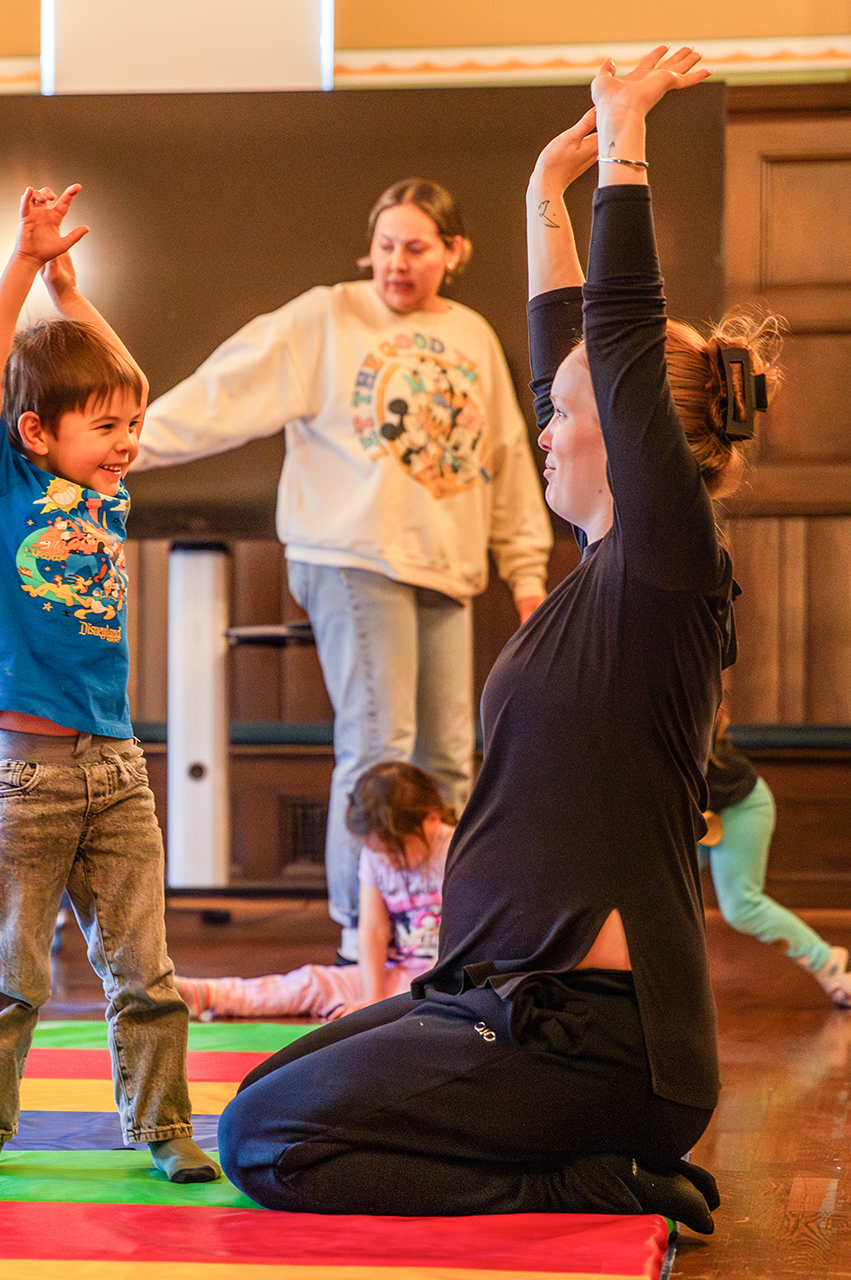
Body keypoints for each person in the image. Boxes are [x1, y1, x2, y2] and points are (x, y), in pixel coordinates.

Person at [216, 49, 775, 1231]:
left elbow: (614, 348)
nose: (544, 424)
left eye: (564, 414)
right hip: (495, 994)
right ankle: (572, 1162)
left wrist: (625, 139)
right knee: (269, 1090)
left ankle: (588, 1183)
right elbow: (572, 350)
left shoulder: (669, 573)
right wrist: (540, 195)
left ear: (627, 443)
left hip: (595, 1038)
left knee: (267, 1140)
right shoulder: (604, 576)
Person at [135, 179, 553, 962]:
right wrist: (132, 445)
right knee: (378, 742)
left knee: (448, 757)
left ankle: (441, 926)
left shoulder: (470, 334)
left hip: (447, 567)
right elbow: (225, 393)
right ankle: (356, 932)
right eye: (386, 245)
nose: (396, 263)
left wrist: (526, 572)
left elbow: (503, 461)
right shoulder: (327, 316)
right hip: (349, 555)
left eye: (417, 248)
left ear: (454, 255)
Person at [0, 182, 214, 1186]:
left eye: (133, 426)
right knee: (10, 971)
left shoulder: (108, 491)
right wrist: (21, 265)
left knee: (146, 972)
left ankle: (163, 1124)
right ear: (38, 430)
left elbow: (124, 375)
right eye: (108, 426)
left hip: (117, 770)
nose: (128, 440)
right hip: (28, 777)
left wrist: (73, 293)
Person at [176, 762, 452, 1022]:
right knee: (314, 982)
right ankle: (212, 995)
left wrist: (385, 1000)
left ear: (431, 818)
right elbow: (373, 930)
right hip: (397, 975)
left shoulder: (456, 848)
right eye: (379, 852)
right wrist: (373, 996)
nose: (387, 861)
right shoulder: (374, 856)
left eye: (394, 850)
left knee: (419, 1000)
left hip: (444, 981)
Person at [701, 706, 851, 1008]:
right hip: (706, 811)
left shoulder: (678, 716)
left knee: (742, 906)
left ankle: (828, 962)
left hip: (742, 806)